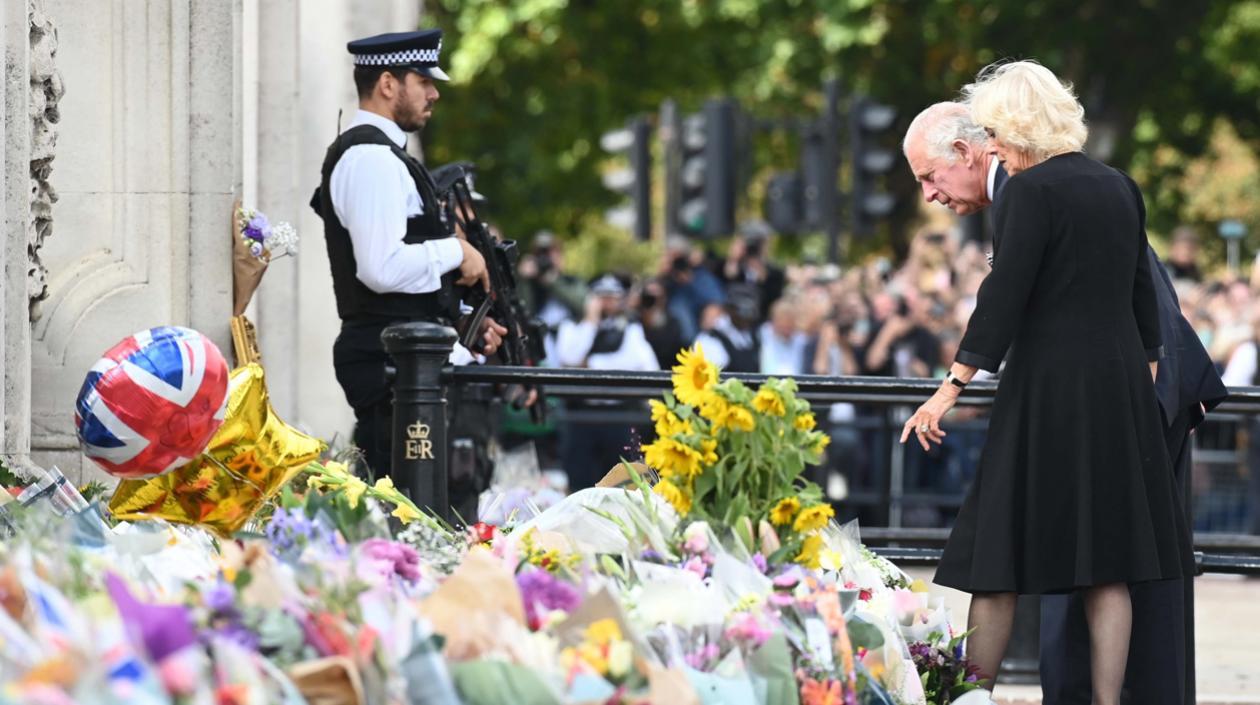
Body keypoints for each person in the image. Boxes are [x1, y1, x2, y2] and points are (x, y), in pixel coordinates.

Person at [907, 99, 1228, 705]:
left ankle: (970, 698)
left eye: (995, 129)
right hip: (1119, 392)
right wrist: (1140, 380)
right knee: (1107, 568)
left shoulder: (1027, 192)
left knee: (996, 558)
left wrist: (950, 389)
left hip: (1047, 394)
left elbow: (1004, 296)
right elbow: (1142, 299)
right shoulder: (1120, 186)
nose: (991, 141)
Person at [313, 29, 506, 486]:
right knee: (414, 513)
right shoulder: (371, 158)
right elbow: (380, 269)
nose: (434, 92)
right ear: (387, 84)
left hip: (405, 363)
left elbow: (401, 279)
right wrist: (455, 249)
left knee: (436, 512)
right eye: (423, 80)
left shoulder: (385, 157)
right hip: (391, 368)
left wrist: (462, 323)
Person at [554, 274, 659, 488]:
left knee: (623, 485)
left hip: (618, 414)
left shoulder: (630, 326)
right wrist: (590, 322)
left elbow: (638, 363)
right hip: (581, 414)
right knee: (580, 485)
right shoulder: (572, 325)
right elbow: (569, 357)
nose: (607, 302)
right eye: (601, 296)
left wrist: (590, 363)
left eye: (613, 297)